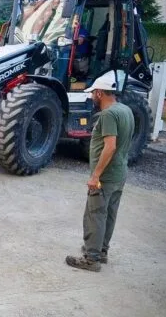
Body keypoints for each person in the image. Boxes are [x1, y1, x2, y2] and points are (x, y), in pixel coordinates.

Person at [65, 73, 134, 272]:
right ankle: (101, 251)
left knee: (95, 215)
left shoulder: (108, 115)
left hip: (106, 176)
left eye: (93, 93)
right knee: (109, 215)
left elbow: (110, 146)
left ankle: (91, 259)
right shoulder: (125, 110)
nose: (91, 97)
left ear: (100, 93)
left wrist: (95, 175)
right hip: (119, 174)